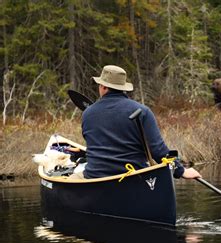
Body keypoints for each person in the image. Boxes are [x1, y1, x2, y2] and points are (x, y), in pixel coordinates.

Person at [70, 65, 201, 180]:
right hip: (133, 178)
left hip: (96, 178)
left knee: (71, 177)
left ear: (103, 87)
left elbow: (94, 146)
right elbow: (159, 150)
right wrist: (181, 171)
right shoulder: (142, 111)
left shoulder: (88, 113)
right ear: (123, 88)